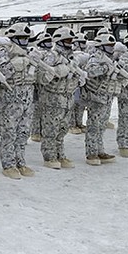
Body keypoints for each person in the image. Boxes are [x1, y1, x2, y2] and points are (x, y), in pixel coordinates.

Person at [0, 23, 36, 179]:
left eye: (26, 38)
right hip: (10, 100)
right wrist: (13, 65)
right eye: (21, 38)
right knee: (9, 133)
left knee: (23, 132)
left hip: (27, 100)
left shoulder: (29, 53)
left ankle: (20, 162)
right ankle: (8, 164)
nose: (24, 41)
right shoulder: (3, 52)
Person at [35, 27, 81, 169]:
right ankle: (50, 157)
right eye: (67, 40)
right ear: (60, 41)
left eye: (71, 40)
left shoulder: (71, 57)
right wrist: (56, 72)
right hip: (52, 99)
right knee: (51, 130)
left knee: (62, 129)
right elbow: (41, 78)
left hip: (67, 98)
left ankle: (60, 154)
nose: (70, 43)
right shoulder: (51, 56)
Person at [82, 33, 128, 165]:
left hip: (107, 96)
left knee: (102, 125)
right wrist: (106, 68)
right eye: (108, 45)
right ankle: (91, 153)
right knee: (94, 126)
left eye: (112, 45)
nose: (111, 47)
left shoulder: (110, 59)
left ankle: (100, 150)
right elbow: (90, 72)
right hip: (97, 97)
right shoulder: (95, 58)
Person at [28, 31, 52, 143]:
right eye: (46, 41)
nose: (49, 43)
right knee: (36, 110)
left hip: (48, 86)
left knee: (45, 111)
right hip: (37, 86)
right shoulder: (37, 53)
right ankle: (35, 132)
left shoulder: (52, 54)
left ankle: (42, 130)